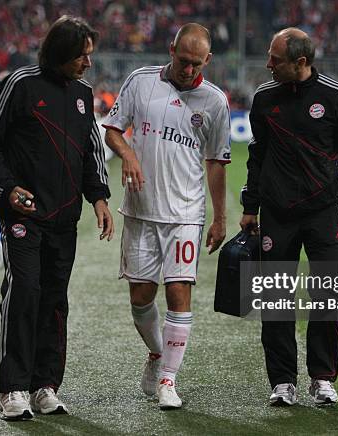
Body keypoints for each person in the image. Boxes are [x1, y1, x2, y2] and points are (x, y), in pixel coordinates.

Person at [0, 16, 114, 421]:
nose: (88, 63)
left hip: (64, 217)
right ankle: (13, 388)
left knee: (55, 300)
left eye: (90, 55)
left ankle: (45, 386)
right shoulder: (20, 84)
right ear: (60, 53)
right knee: (24, 292)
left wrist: (100, 198)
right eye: (82, 56)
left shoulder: (84, 94)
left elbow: (92, 151)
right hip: (24, 216)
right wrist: (7, 189)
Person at [240, 28, 338, 406]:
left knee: (325, 297)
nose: (268, 64)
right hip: (277, 212)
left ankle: (322, 378)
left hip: (323, 211)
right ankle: (283, 381)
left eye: (276, 59)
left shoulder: (337, 96)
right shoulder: (263, 97)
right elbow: (257, 155)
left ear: (301, 62)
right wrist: (249, 206)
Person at [103, 23, 231, 410]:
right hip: (141, 210)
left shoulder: (215, 102)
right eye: (183, 60)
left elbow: (216, 163)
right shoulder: (140, 81)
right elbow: (112, 130)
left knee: (179, 292)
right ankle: (158, 354)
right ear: (171, 49)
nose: (188, 69)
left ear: (207, 60)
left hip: (185, 213)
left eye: (196, 63)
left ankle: (168, 381)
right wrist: (128, 154)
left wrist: (220, 218)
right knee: (140, 297)